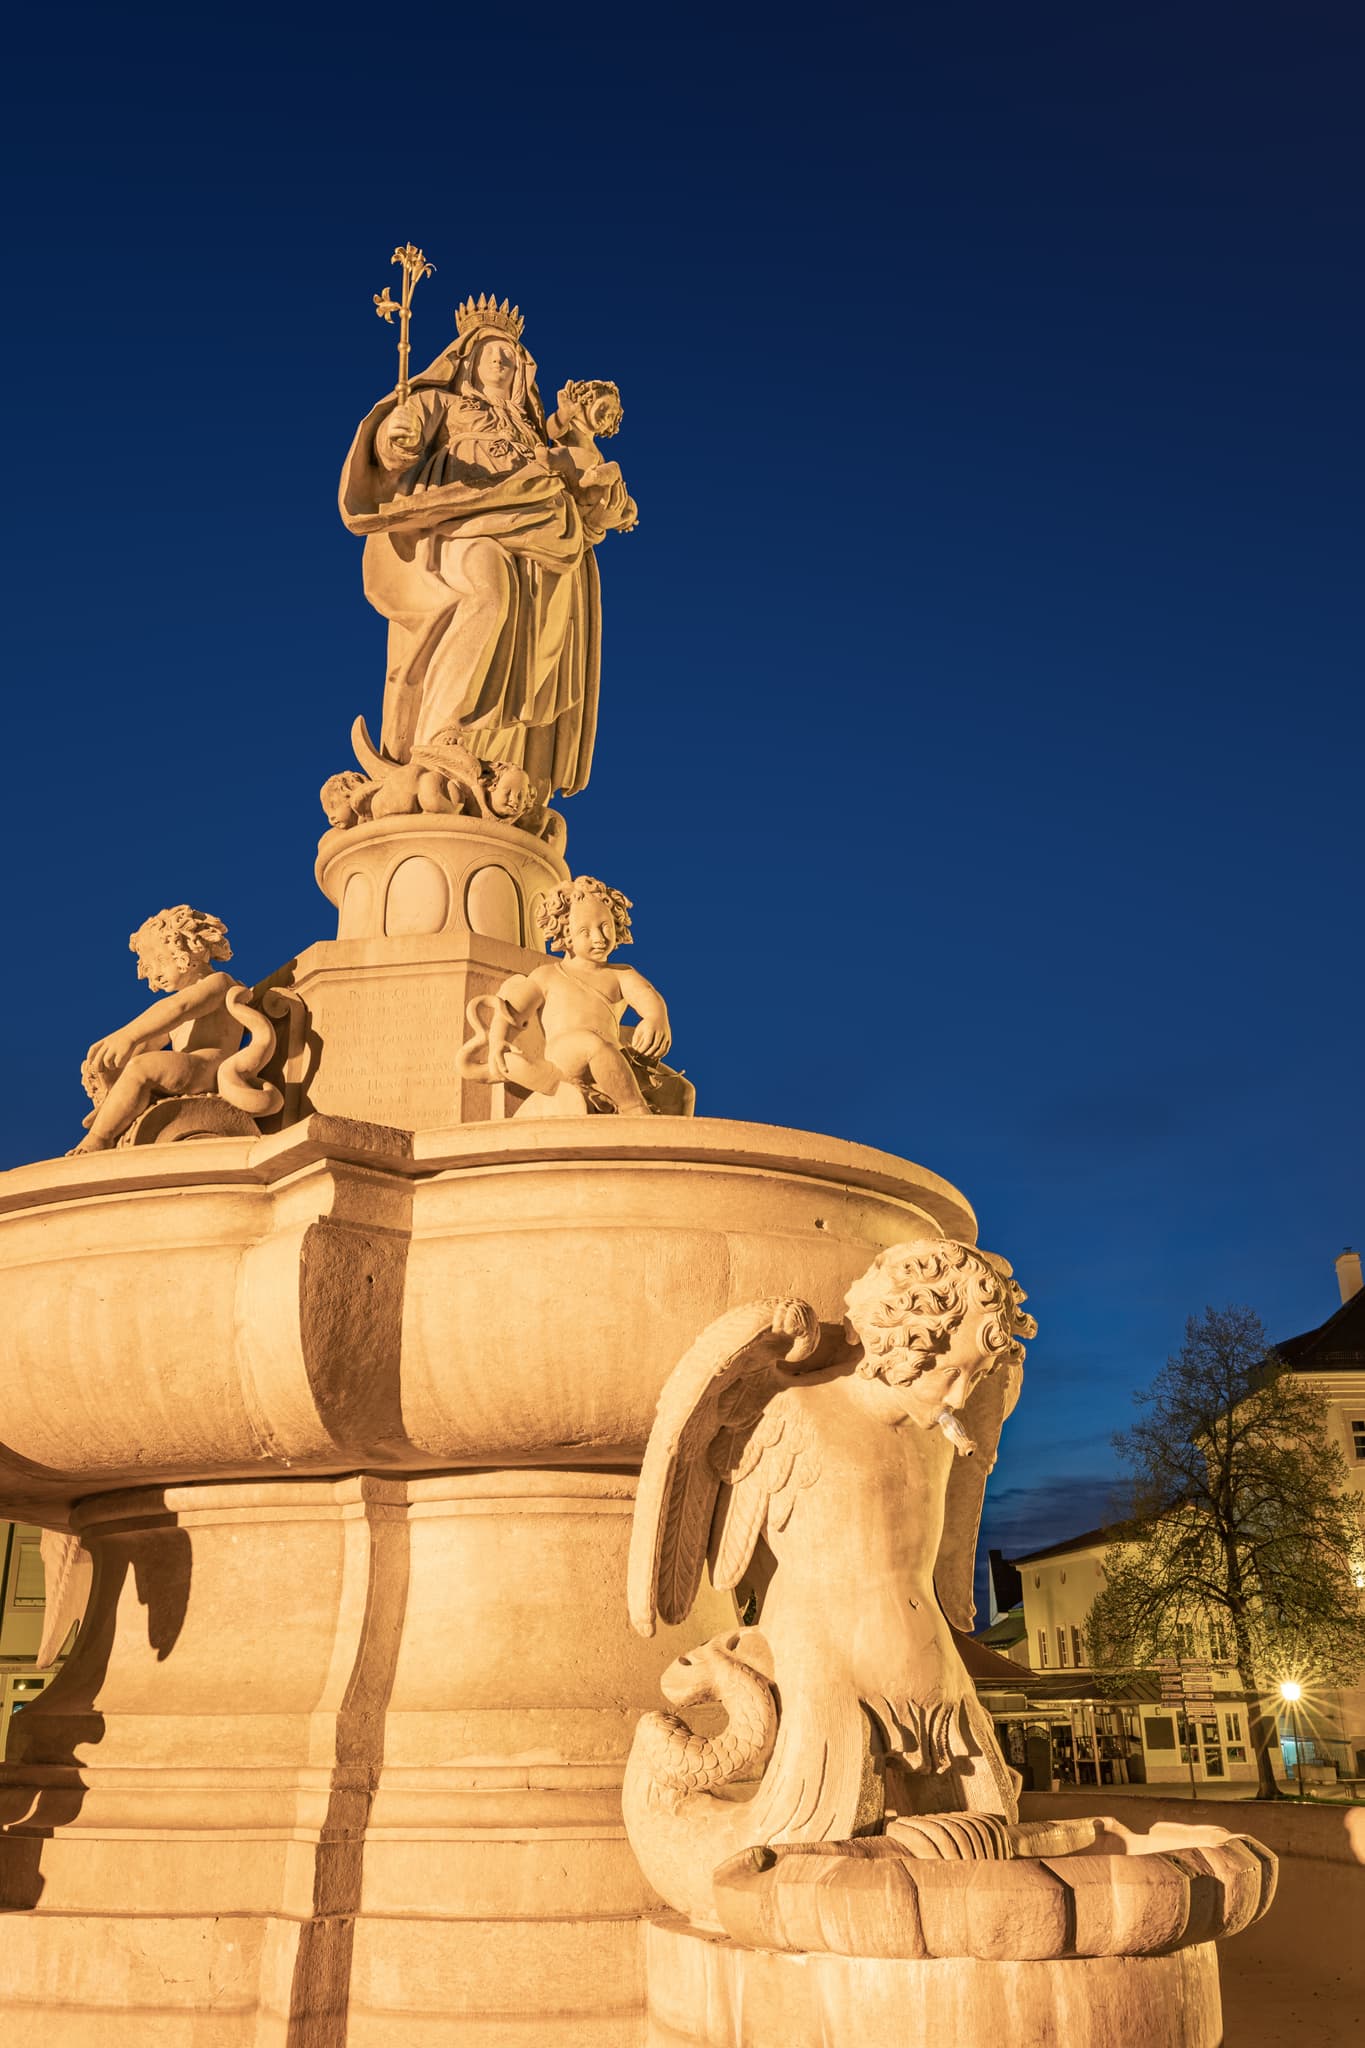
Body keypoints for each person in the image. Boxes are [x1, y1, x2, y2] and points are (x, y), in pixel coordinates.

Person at [339, 300, 637, 797]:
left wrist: (590, 479)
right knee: (486, 596)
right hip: (466, 518)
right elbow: (396, 441)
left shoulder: (532, 431)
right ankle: (440, 731)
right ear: (467, 360)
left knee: (527, 636)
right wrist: (398, 438)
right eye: (490, 351)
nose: (501, 360)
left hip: (541, 536)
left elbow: (584, 490)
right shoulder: (446, 403)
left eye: (511, 354)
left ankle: (489, 749)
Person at [458, 877, 669, 1115]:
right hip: (567, 1055)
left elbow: (646, 995)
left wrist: (656, 1018)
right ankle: (634, 1109)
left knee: (681, 1091)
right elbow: (510, 1011)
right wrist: (497, 1042)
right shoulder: (547, 975)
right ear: (567, 933)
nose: (599, 938)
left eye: (605, 927)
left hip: (613, 1057)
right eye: (585, 931)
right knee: (592, 1044)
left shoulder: (621, 974)